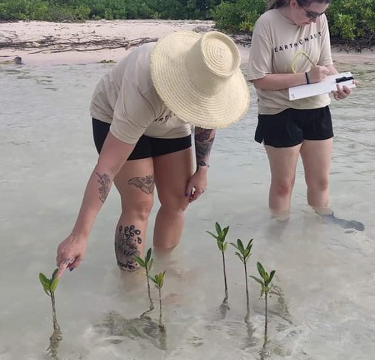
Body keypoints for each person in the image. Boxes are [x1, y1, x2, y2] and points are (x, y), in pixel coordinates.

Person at [56, 30, 250, 277]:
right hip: (116, 114)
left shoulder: (210, 76)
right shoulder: (143, 84)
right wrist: (79, 235)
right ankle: (131, 284)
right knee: (139, 204)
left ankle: (163, 269)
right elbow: (106, 168)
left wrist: (202, 169)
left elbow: (207, 117)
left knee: (178, 200)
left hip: (168, 121)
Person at [248, 0, 361, 228]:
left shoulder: (319, 20)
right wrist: (306, 78)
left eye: (321, 14)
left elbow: (325, 64)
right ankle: (279, 230)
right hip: (278, 112)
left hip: (317, 108)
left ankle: (323, 225)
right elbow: (259, 78)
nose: (315, 20)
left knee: (320, 181)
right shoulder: (267, 23)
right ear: (293, 2)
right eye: (310, 14)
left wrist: (338, 84)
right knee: (284, 184)